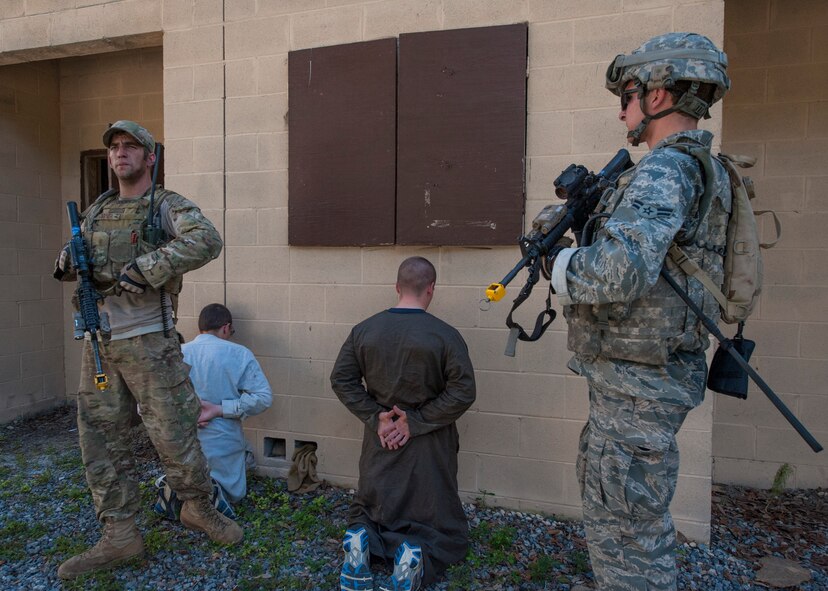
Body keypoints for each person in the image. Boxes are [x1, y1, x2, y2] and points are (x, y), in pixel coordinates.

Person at [548, 33, 732, 590]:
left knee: (626, 525)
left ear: (657, 97)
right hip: (641, 376)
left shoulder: (664, 169)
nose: (621, 110)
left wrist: (560, 264)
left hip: (638, 383)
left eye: (627, 95)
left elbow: (619, 272)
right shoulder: (702, 166)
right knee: (624, 512)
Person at [54, 120, 241, 580]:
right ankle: (120, 534)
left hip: (149, 343)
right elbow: (78, 254)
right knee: (99, 439)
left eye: (131, 147)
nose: (121, 154)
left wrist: (151, 265)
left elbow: (207, 240)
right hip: (100, 343)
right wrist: (64, 259)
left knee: (174, 434)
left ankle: (198, 507)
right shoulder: (98, 209)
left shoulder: (164, 205)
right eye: (115, 147)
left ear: (150, 156)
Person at [331, 256, 476, 591]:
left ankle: (362, 541)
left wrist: (376, 417)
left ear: (397, 287)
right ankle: (413, 557)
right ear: (431, 289)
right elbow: (464, 390)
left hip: (380, 437)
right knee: (431, 510)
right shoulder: (445, 335)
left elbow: (342, 379)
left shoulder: (364, 330)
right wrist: (416, 421)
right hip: (429, 442)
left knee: (375, 502)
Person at [182, 303, 272, 503]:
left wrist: (188, 413)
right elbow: (264, 398)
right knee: (232, 496)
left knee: (189, 486)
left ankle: (191, 500)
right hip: (224, 437)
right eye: (231, 331)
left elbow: (148, 403)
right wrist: (219, 409)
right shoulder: (239, 353)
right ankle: (216, 500)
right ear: (225, 327)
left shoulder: (178, 353)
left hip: (184, 438)